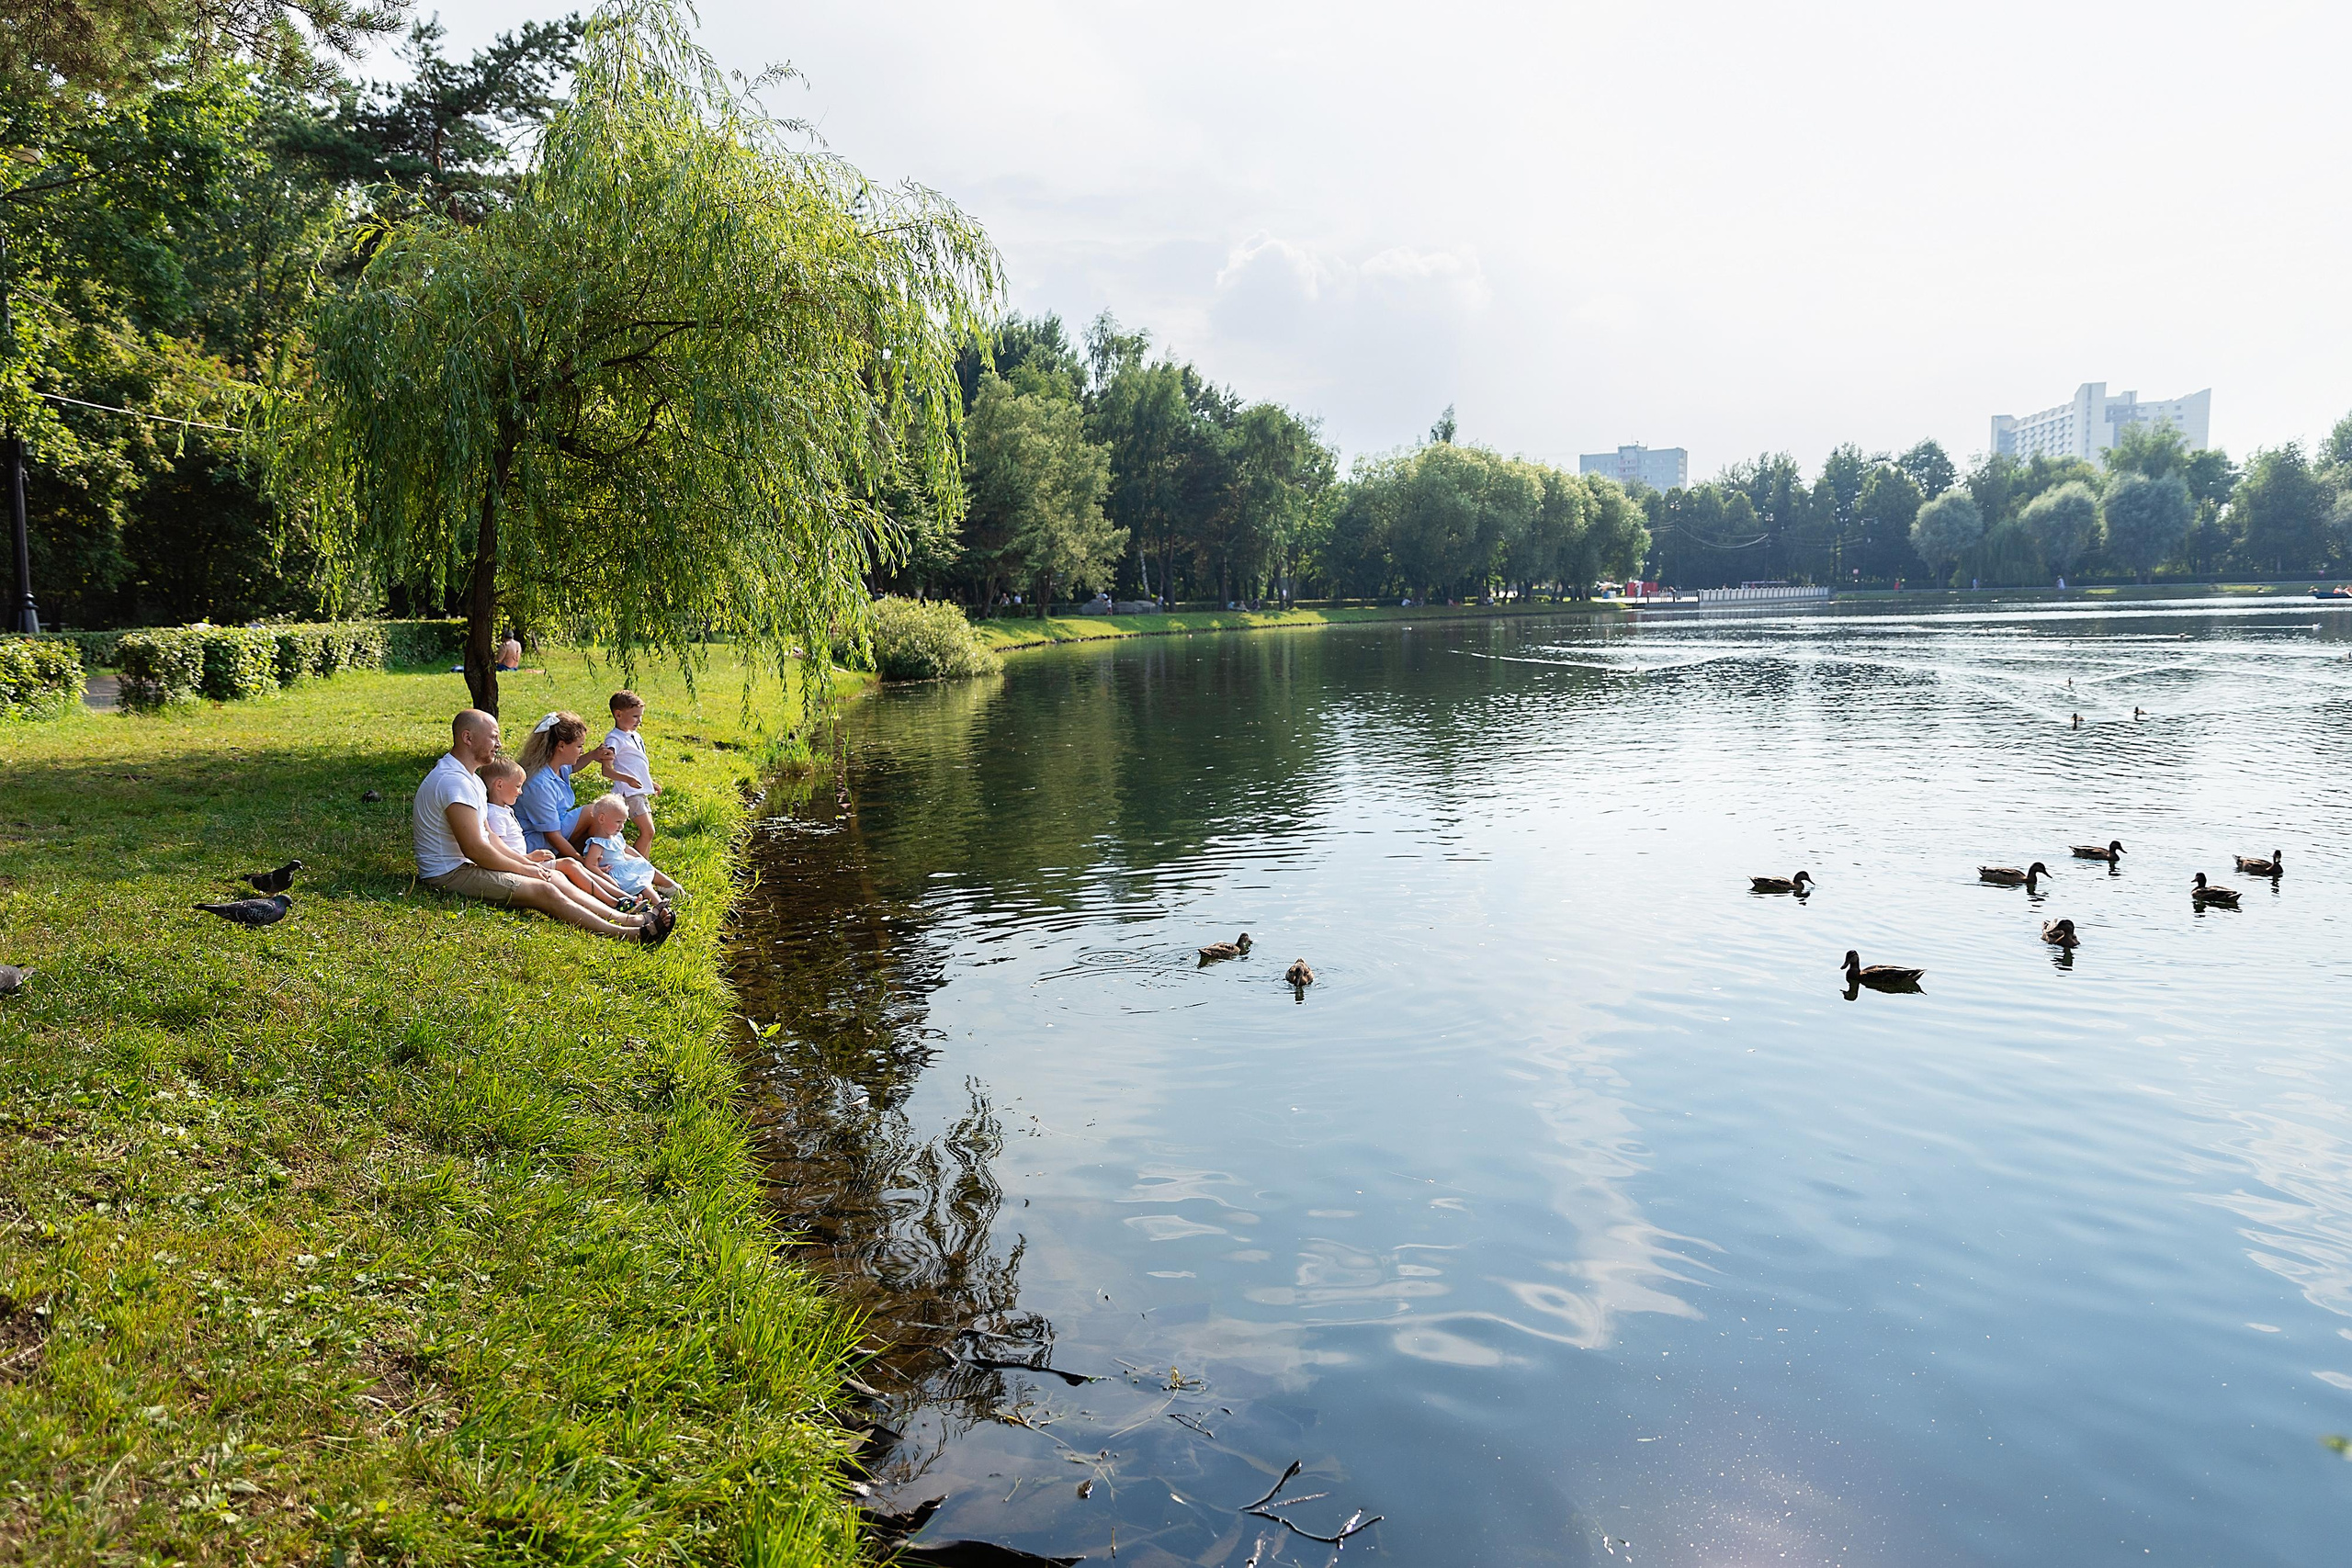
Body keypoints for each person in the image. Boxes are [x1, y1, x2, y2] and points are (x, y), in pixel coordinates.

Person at [413, 711, 670, 942]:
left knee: (556, 874)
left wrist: (528, 864)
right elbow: (475, 849)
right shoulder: (453, 782)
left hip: (468, 865)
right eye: (493, 737)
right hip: (449, 874)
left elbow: (489, 835)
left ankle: (626, 916)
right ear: (467, 737)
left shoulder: (471, 779)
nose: (499, 744)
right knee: (544, 888)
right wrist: (528, 869)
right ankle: (630, 934)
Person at [481, 757, 631, 908]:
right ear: (499, 785)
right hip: (518, 866)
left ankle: (621, 896)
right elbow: (498, 849)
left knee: (572, 864)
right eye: (518, 786)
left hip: (524, 861)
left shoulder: (505, 810)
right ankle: (614, 901)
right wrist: (528, 858)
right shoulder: (495, 815)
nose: (520, 792)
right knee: (570, 864)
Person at [514, 710, 616, 860]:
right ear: (561, 746)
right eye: (579, 746)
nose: (581, 751)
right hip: (537, 842)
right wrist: (580, 861)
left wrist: (593, 755)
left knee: (598, 817)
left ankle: (606, 857)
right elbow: (552, 835)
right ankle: (600, 861)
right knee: (594, 814)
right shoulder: (539, 784)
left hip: (553, 830)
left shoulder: (556, 766)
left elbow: (572, 768)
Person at [577, 792, 682, 908]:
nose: (621, 826)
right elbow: (590, 865)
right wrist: (604, 875)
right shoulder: (597, 844)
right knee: (642, 884)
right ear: (602, 819)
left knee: (643, 873)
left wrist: (640, 860)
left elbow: (626, 850)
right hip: (616, 875)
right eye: (618, 822)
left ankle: (668, 890)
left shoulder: (617, 837)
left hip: (624, 868)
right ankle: (659, 904)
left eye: (623, 822)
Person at [601, 690, 661, 853]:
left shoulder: (634, 736)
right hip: (630, 793)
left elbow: (636, 765)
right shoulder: (614, 739)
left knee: (649, 832)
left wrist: (650, 782)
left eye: (640, 716)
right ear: (618, 714)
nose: (639, 721)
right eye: (635, 716)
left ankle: (645, 868)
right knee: (648, 831)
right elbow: (607, 770)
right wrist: (627, 780)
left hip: (639, 790)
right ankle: (639, 868)